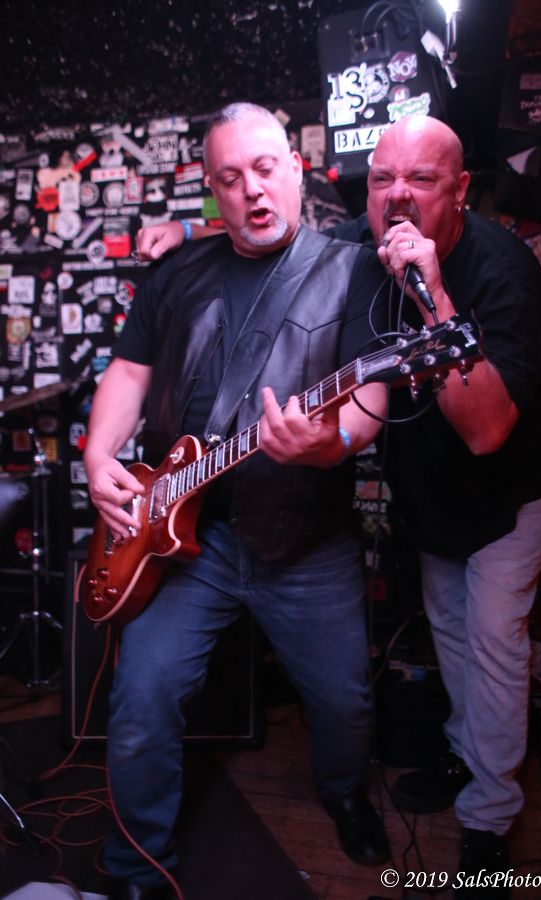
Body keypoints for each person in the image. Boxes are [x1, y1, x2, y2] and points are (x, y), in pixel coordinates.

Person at [139, 115, 541, 897]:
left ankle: (488, 818)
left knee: (494, 645)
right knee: (452, 635)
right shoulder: (361, 240)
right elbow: (268, 221)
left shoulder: (504, 274)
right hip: (430, 489)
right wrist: (187, 232)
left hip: (507, 489)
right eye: (381, 181)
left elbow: (486, 433)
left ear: (461, 189)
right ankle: (465, 757)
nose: (397, 196)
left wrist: (433, 293)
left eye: (421, 181)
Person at [84, 102, 392, 900]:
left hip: (306, 537)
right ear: (211, 190)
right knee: (142, 695)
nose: (251, 189)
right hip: (189, 533)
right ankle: (136, 865)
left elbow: (371, 395)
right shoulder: (177, 273)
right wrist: (96, 453)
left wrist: (329, 443)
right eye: (230, 178)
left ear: (294, 168)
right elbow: (130, 372)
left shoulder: (351, 269)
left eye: (263, 169)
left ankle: (343, 794)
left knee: (344, 702)